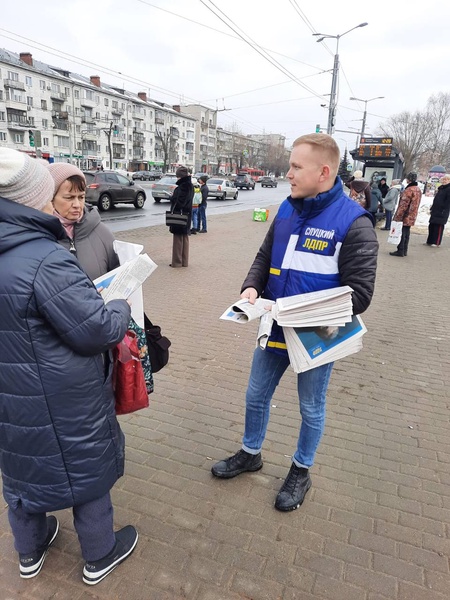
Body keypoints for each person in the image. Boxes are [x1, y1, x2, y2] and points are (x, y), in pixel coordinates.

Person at [211, 134, 378, 512]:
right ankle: (251, 452)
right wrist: (252, 287)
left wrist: (303, 310)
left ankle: (301, 470)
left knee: (311, 407)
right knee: (256, 396)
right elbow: (263, 256)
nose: (287, 174)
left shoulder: (355, 223)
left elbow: (361, 295)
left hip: (315, 337)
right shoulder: (287, 208)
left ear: (323, 172)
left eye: (295, 167)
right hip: (274, 328)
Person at [0, 148, 138, 585]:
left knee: (22, 469)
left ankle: (30, 550)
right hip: (63, 394)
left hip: (10, 393)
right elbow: (95, 330)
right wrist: (118, 301)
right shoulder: (45, 258)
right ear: (37, 198)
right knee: (86, 469)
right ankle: (100, 553)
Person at [47, 163, 119, 280]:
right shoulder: (38, 236)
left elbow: (117, 273)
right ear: (50, 198)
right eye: (69, 198)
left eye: (81, 197)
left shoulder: (102, 233)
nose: (77, 205)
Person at [390, 172, 422, 257]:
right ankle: (405, 250)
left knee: (402, 233)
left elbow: (403, 205)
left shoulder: (408, 190)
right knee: (407, 232)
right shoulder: (418, 189)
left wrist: (398, 216)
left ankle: (400, 250)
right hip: (412, 214)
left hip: (405, 215)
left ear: (409, 179)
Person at [169, 165, 193, 267]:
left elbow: (180, 202)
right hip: (186, 215)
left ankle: (177, 262)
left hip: (179, 215)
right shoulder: (189, 185)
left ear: (180, 176)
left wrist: (172, 197)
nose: (177, 178)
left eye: (177, 176)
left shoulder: (183, 186)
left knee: (178, 240)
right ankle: (184, 261)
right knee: (185, 238)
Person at [426, 174, 450, 246]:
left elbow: (448, 201)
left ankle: (436, 242)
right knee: (431, 226)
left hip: (442, 211)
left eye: (446, 179)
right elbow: (436, 200)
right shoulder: (441, 188)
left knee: (438, 227)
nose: (444, 181)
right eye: (444, 179)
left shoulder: (449, 189)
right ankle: (430, 241)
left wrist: (444, 210)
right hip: (435, 210)